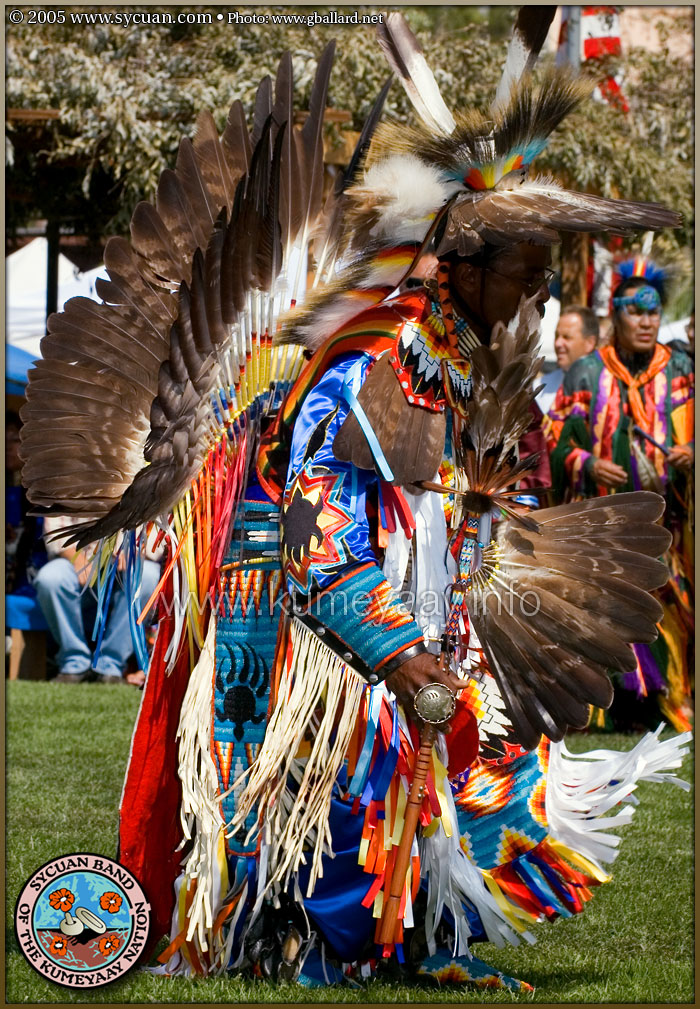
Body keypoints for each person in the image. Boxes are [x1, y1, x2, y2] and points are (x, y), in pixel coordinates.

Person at [19, 10, 691, 993]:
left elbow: (412, 508)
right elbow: (318, 538)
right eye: (523, 276)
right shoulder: (369, 364)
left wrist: (473, 518)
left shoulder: (438, 359)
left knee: (402, 767)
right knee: (310, 765)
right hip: (280, 592)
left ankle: (399, 936)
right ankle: (290, 933)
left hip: (362, 596)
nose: (536, 298)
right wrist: (403, 651)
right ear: (457, 269)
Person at [550, 275, 694, 731]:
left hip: (665, 528)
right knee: (599, 615)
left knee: (666, 616)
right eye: (637, 312)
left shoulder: (681, 372)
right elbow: (554, 441)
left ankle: (662, 702)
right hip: (601, 531)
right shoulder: (587, 373)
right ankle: (601, 709)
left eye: (653, 312)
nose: (647, 322)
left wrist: (691, 453)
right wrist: (587, 464)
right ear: (616, 315)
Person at [35, 516, 162, 685]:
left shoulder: (149, 487)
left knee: (147, 575)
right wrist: (78, 560)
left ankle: (111, 666)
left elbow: (159, 525)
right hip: (77, 562)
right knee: (50, 578)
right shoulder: (60, 487)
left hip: (124, 567)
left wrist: (136, 549)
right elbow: (55, 528)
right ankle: (74, 662)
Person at [537, 305, 599, 414]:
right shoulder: (539, 387)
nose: (558, 343)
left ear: (590, 343)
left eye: (567, 337)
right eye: (557, 336)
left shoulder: (607, 386)